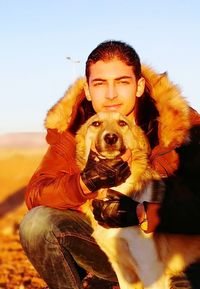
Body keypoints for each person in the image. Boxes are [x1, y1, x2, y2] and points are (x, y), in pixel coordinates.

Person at [19, 40, 200, 289]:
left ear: (139, 86)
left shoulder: (179, 124)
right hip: (107, 249)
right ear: (88, 89)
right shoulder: (73, 127)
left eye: (122, 82)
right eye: (100, 84)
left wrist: (142, 213)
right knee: (36, 224)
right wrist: (85, 183)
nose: (111, 94)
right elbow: (36, 194)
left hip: (175, 256)